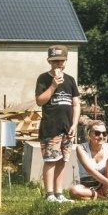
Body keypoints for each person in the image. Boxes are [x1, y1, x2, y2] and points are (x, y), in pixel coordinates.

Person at [35, 45, 81, 203]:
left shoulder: (70, 80)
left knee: (62, 160)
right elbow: (40, 101)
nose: (58, 64)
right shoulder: (43, 78)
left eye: (61, 61)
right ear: (49, 62)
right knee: (51, 160)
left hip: (67, 128)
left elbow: (76, 104)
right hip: (50, 127)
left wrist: (74, 125)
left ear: (66, 61)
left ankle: (59, 193)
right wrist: (53, 85)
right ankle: (49, 194)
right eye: (55, 61)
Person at [70, 122, 108, 201]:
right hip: (88, 187)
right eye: (97, 133)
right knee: (74, 190)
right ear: (89, 134)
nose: (101, 136)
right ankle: (104, 197)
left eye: (104, 133)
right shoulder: (81, 148)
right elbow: (90, 170)